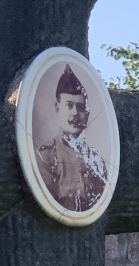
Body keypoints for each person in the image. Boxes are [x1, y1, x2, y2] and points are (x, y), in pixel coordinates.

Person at [35, 64, 108, 212]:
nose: (75, 113)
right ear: (57, 108)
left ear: (86, 115)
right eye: (69, 105)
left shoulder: (96, 160)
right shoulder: (47, 156)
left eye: (80, 107)